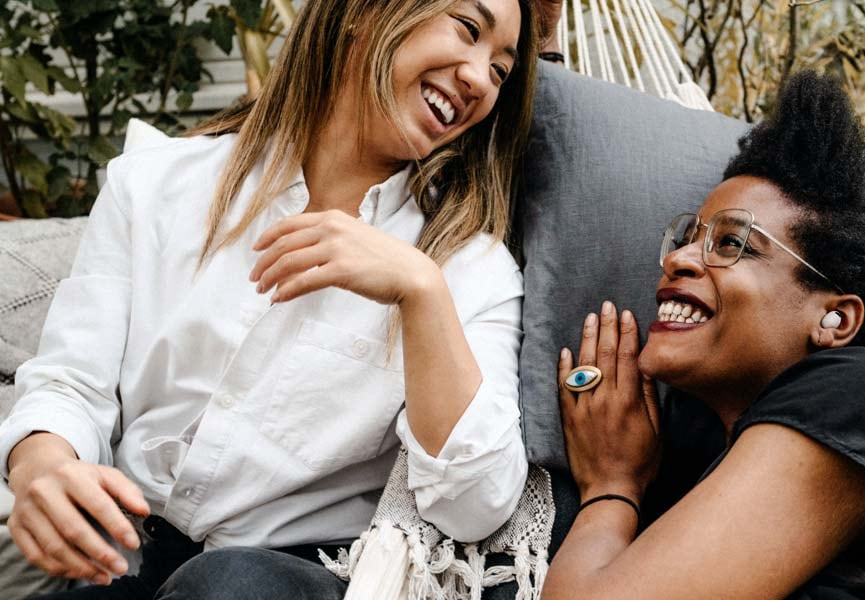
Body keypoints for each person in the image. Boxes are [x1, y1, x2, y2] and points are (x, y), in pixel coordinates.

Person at [0, 0, 545, 597]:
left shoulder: (468, 269)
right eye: (467, 29)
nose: (478, 78)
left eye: (500, 70)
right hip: (119, 558)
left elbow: (479, 507)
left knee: (229, 583)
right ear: (365, 13)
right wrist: (42, 466)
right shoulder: (156, 184)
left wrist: (421, 293)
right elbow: (71, 384)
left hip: (294, 576)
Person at [544, 72, 865, 599]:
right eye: (687, 237)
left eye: (732, 243)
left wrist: (611, 485)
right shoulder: (703, 439)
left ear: (836, 318)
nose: (677, 258)